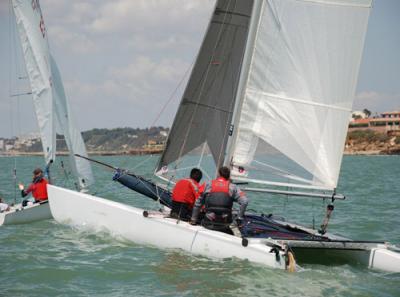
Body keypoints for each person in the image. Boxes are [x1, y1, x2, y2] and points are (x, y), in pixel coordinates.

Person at [190, 166, 248, 235]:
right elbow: (245, 201)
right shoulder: (233, 187)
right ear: (228, 176)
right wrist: (239, 218)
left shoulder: (207, 184)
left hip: (208, 222)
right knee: (234, 226)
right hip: (225, 224)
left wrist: (193, 219)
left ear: (219, 174)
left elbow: (198, 203)